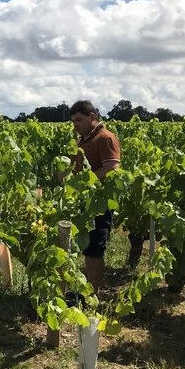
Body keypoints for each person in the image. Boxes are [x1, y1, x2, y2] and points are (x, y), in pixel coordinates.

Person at [69, 100, 121, 296]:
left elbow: (112, 168)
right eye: (73, 122)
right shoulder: (83, 139)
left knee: (94, 250)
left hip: (99, 202)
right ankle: (83, 291)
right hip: (82, 201)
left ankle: (92, 295)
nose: (76, 125)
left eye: (79, 120)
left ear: (92, 118)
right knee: (83, 247)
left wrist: (84, 181)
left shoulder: (105, 138)